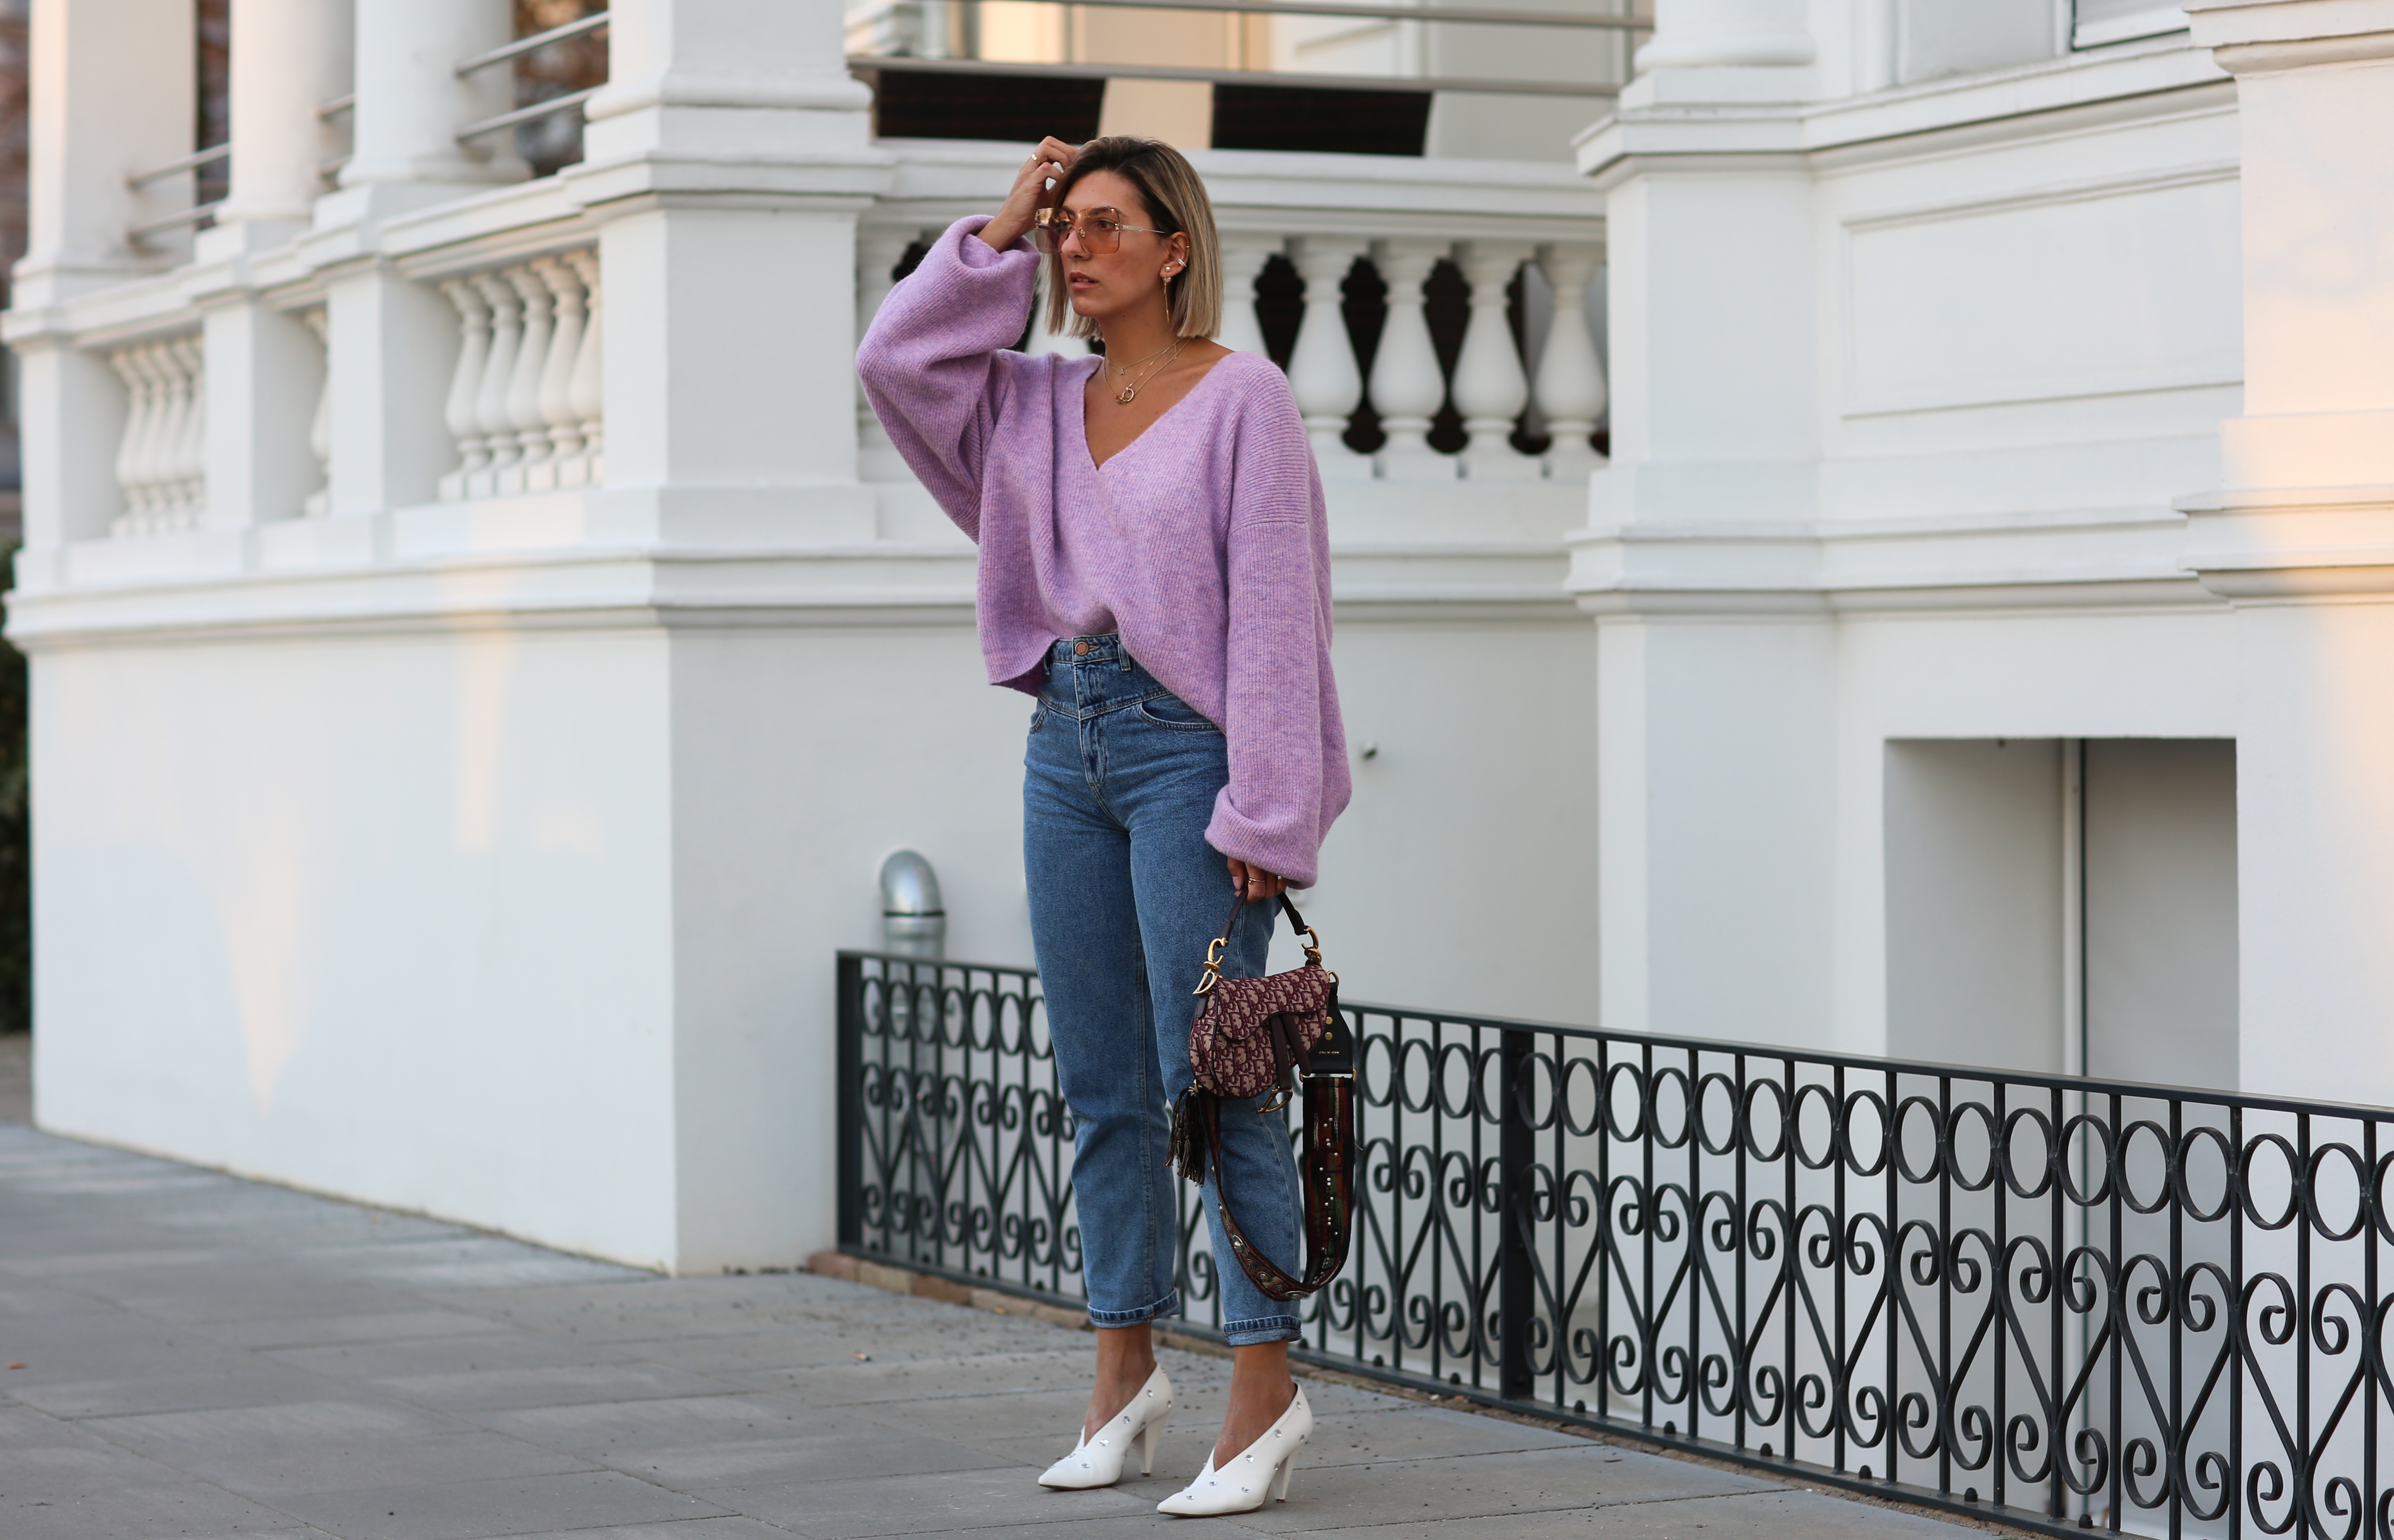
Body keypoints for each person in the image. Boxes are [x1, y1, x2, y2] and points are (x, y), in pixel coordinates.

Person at [856, 135, 1349, 1517]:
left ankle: (1264, 1385)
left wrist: (1272, 802)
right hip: (1061, 744)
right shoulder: (1027, 401)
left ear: (1174, 248)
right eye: (1065, 224)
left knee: (1221, 1073)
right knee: (1102, 1084)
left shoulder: (1242, 397)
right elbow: (894, 365)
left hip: (1187, 753)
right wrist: (995, 230)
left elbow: (1277, 606)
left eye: (1104, 223)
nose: (1076, 245)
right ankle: (1122, 1374)